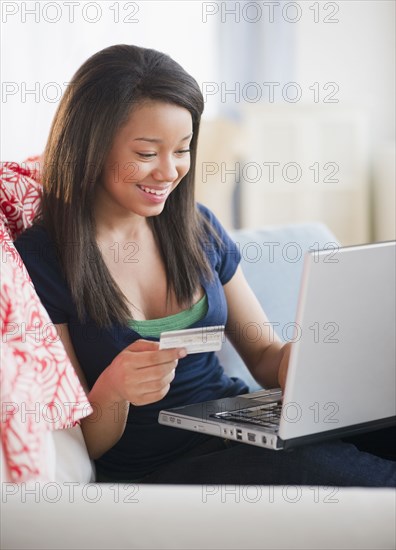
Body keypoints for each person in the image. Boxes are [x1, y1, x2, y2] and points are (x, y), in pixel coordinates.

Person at [15, 44, 396, 486]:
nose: (169, 171)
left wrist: (302, 363)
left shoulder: (196, 227)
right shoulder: (41, 261)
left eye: (182, 149)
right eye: (146, 153)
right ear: (90, 146)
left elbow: (264, 357)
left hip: (241, 428)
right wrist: (115, 390)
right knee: (361, 482)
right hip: (159, 468)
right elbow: (80, 443)